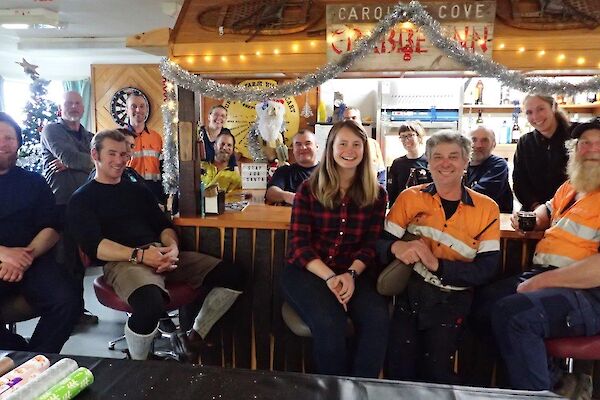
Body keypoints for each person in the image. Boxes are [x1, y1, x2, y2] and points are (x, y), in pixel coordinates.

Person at [67, 130, 245, 361]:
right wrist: (141, 256)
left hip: (160, 253)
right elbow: (95, 246)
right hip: (123, 262)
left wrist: (172, 248)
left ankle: (195, 336)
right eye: (112, 154)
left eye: (124, 154)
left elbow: (163, 225)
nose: (120, 160)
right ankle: (138, 363)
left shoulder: (137, 190)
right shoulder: (81, 199)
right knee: (149, 305)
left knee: (234, 274)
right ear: (95, 154)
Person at [378, 130, 500, 384]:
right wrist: (394, 248)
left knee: (437, 372)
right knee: (399, 370)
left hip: (453, 300)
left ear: (466, 161)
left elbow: (487, 269)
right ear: (428, 162)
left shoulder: (488, 208)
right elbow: (380, 243)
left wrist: (437, 264)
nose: (445, 163)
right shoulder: (409, 197)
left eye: (454, 156)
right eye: (438, 157)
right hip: (408, 295)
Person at [490, 119, 600, 392]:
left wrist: (542, 282)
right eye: (584, 144)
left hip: (591, 294)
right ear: (575, 150)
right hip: (549, 277)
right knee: (479, 303)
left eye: (599, 144)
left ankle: (542, 393)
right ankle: (558, 383)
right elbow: (548, 211)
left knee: (515, 315)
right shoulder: (572, 186)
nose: (592, 150)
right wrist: (531, 218)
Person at [280, 120, 389, 378]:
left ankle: (362, 390)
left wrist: (350, 275)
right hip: (307, 272)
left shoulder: (378, 194)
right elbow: (298, 245)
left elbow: (370, 244)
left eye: (356, 144)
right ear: (330, 149)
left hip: (354, 272)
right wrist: (330, 277)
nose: (349, 150)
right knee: (331, 323)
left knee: (377, 320)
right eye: (342, 144)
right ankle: (333, 389)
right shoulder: (308, 189)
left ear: (365, 149)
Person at [0, 112, 81, 352]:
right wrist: (5, 254)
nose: (3, 144)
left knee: (68, 301)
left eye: (9, 138)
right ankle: (18, 353)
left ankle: (38, 358)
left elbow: (52, 228)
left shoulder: (34, 182)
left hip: (33, 260)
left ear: (18, 144)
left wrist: (25, 258)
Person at [513, 94, 573, 211]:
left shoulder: (577, 135)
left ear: (554, 107)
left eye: (541, 109)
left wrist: (552, 211)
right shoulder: (525, 142)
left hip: (572, 213)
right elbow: (520, 182)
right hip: (535, 213)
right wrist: (538, 208)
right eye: (529, 112)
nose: (535, 116)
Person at [40, 90, 94, 217]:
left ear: (83, 108)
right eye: (69, 103)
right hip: (61, 203)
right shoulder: (51, 130)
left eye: (77, 103)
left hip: (89, 200)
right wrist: (90, 162)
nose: (74, 106)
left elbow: (103, 165)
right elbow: (70, 158)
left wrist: (72, 163)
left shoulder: (91, 137)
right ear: (60, 108)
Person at [125, 91, 165, 203]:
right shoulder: (120, 137)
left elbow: (163, 166)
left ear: (146, 109)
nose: (138, 110)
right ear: (126, 110)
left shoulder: (156, 137)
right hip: (130, 191)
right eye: (134, 106)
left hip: (155, 191)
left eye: (142, 106)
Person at [265, 129, 318, 205]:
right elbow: (270, 193)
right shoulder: (284, 171)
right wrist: (289, 197)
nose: (303, 147)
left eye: (308, 143)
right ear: (293, 150)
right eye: (298, 144)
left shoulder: (329, 171)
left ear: (316, 147)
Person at [466, 126, 513, 213]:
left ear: (493, 145)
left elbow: (481, 195)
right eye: (474, 140)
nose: (478, 145)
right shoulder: (460, 165)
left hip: (493, 222)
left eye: (485, 140)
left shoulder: (499, 165)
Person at [387, 121, 430, 206]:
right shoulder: (397, 164)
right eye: (403, 136)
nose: (406, 139)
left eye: (410, 135)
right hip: (403, 211)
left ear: (419, 137)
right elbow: (392, 192)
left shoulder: (429, 162)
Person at [343, 107, 386, 186]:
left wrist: (380, 193)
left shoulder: (373, 144)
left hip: (370, 193)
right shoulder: (338, 146)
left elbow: (381, 173)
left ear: (360, 121)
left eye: (354, 118)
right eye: (346, 118)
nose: (350, 121)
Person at [198, 105, 237, 169]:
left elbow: (232, 158)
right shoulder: (199, 133)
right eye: (216, 114)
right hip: (201, 173)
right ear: (209, 117)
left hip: (221, 173)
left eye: (222, 116)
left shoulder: (227, 134)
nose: (219, 118)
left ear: (225, 119)